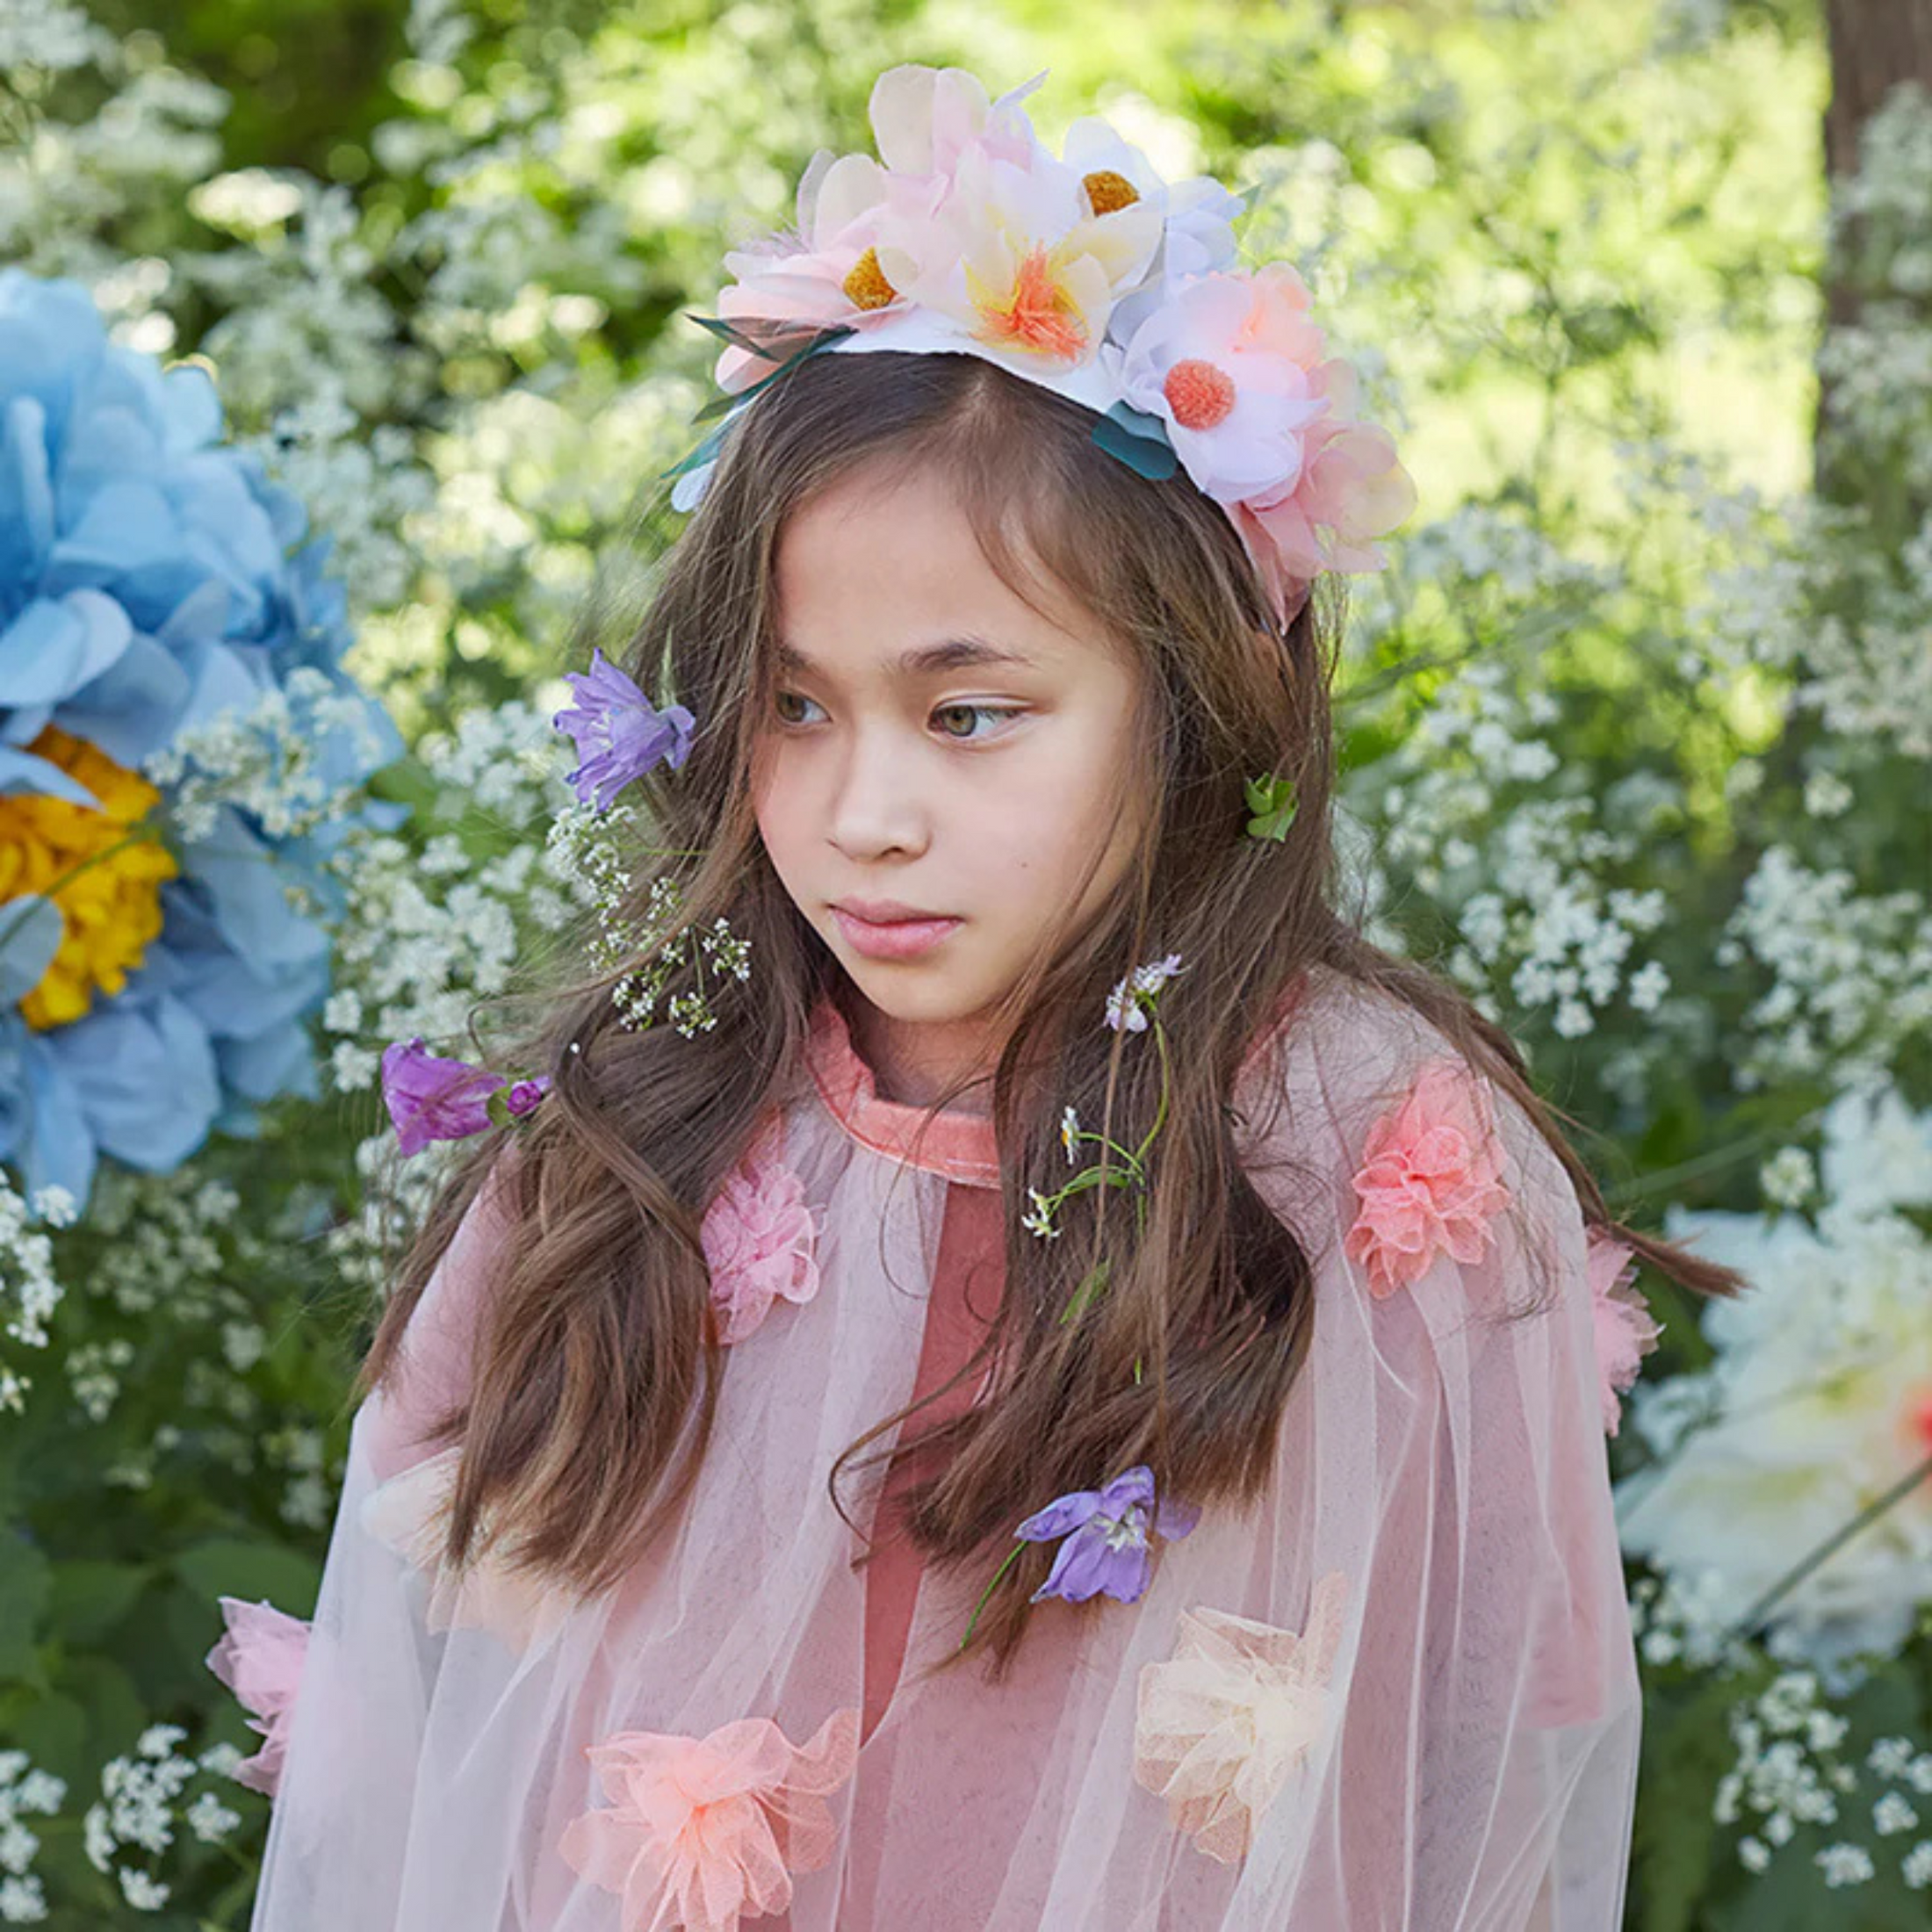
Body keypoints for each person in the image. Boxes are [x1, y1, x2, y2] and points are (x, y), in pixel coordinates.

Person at [210, 62, 1745, 1932]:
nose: (862, 811)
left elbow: (1494, 1733)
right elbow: (424, 1706)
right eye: (795, 703)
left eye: (967, 713)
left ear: (1187, 709)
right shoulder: (647, 1129)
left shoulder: (1360, 1155)